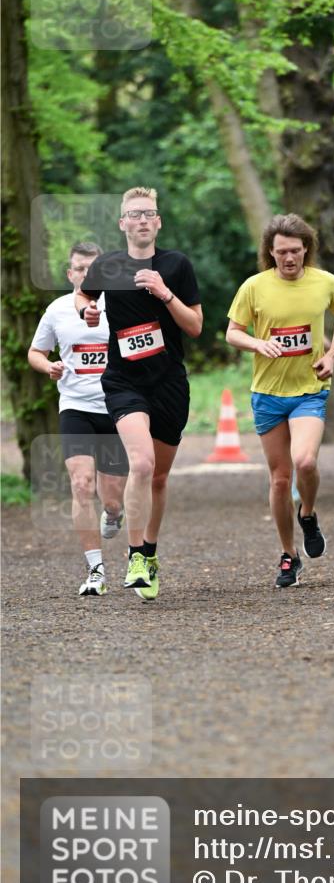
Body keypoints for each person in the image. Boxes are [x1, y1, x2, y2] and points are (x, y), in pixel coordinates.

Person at [76, 187, 203, 600]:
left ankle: (149, 553)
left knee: (159, 477)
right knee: (142, 464)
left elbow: (195, 326)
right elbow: (83, 296)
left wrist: (165, 293)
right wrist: (86, 310)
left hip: (169, 383)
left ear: (158, 222)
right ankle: (135, 556)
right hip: (123, 381)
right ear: (123, 223)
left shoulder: (176, 265)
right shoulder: (108, 265)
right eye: (135, 214)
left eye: (149, 213)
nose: (143, 219)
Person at [226, 213, 334, 588]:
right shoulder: (254, 287)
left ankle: (308, 514)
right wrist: (257, 343)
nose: (289, 258)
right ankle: (289, 555)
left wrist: (332, 355)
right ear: (270, 252)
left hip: (309, 391)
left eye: (295, 250)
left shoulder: (325, 282)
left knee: (305, 461)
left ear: (306, 249)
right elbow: (233, 332)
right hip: (267, 394)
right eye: (281, 251)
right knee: (280, 480)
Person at [28, 242, 127, 596]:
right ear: (70, 274)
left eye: (92, 268)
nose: (86, 274)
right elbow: (35, 352)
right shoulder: (57, 310)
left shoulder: (119, 306)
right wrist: (48, 366)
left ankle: (114, 513)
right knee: (82, 484)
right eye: (80, 269)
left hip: (115, 408)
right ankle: (96, 570)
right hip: (75, 408)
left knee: (111, 499)